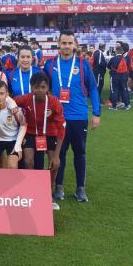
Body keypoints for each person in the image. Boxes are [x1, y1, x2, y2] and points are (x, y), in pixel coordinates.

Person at [44, 30, 100, 203]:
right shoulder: (50, 64)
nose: (66, 46)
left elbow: (92, 89)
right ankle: (58, 187)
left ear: (75, 45)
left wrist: (96, 113)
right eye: (64, 43)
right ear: (59, 44)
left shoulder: (83, 64)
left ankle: (80, 188)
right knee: (58, 154)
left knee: (80, 153)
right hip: (57, 118)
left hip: (79, 116)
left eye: (69, 43)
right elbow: (44, 88)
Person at [14, 72, 65, 211]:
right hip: (30, 133)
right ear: (31, 88)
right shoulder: (26, 98)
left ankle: (48, 193)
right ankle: (31, 192)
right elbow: (10, 101)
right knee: (28, 160)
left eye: (43, 87)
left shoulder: (54, 102)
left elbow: (61, 129)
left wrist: (56, 155)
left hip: (49, 135)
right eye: (36, 87)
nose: (40, 90)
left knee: (55, 164)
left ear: (47, 87)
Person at [107, 44, 130, 111]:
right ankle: (127, 105)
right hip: (123, 77)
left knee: (114, 91)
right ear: (122, 51)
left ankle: (114, 107)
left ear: (116, 51)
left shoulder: (113, 59)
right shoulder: (124, 59)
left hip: (114, 77)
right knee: (124, 90)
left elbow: (108, 66)